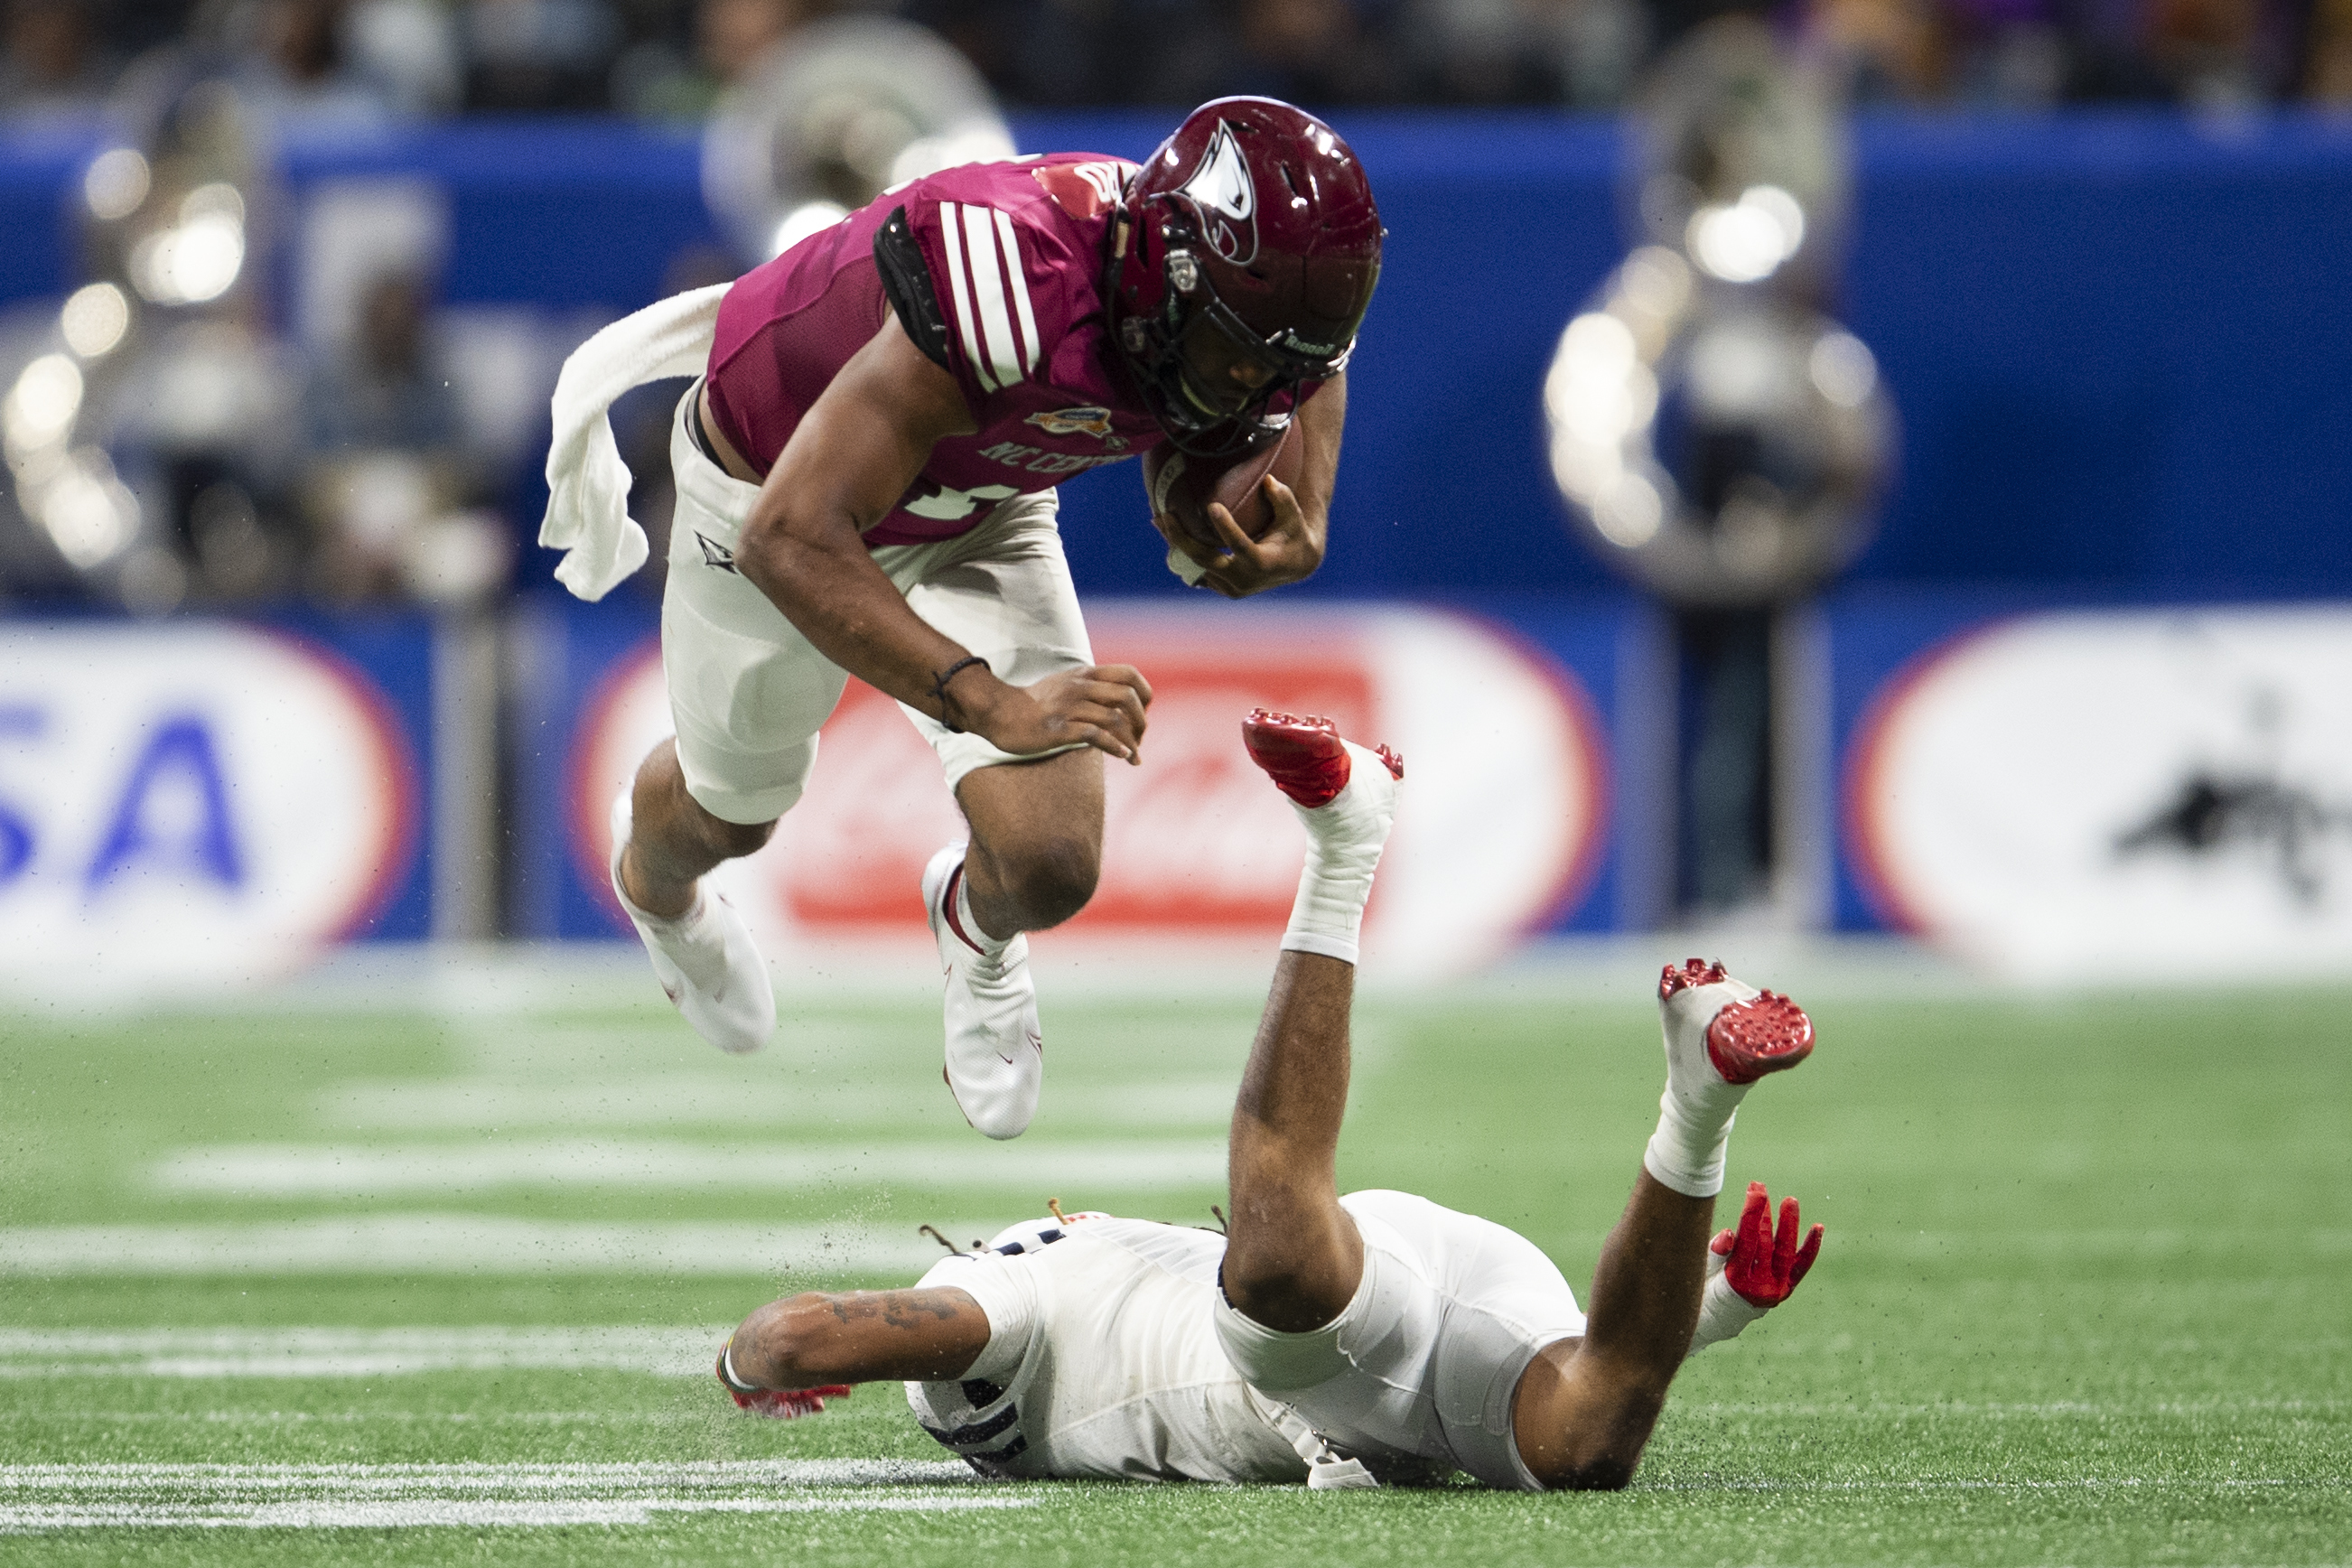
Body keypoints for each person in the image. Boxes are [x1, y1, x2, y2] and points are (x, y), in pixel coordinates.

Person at [539, 97, 1384, 1140]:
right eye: (1233, 358)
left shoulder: (1232, 299)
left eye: (1273, 368)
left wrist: (1310, 517)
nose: (1249, 393)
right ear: (1159, 275)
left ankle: (973, 924)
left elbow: (1313, 366)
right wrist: (988, 703)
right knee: (733, 815)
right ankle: (654, 888)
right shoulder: (1010, 280)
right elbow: (793, 537)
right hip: (770, 493)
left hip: (977, 497)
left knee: (1049, 861)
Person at [709, 709, 1824, 1490]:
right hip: (1410, 1354)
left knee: (1276, 1272)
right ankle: (1697, 1104)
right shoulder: (1088, 1277)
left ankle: (1346, 843)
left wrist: (753, 1360)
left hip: (1339, 1334)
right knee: (1590, 1442)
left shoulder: (1013, 1302)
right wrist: (1704, 1310)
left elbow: (810, 1332)